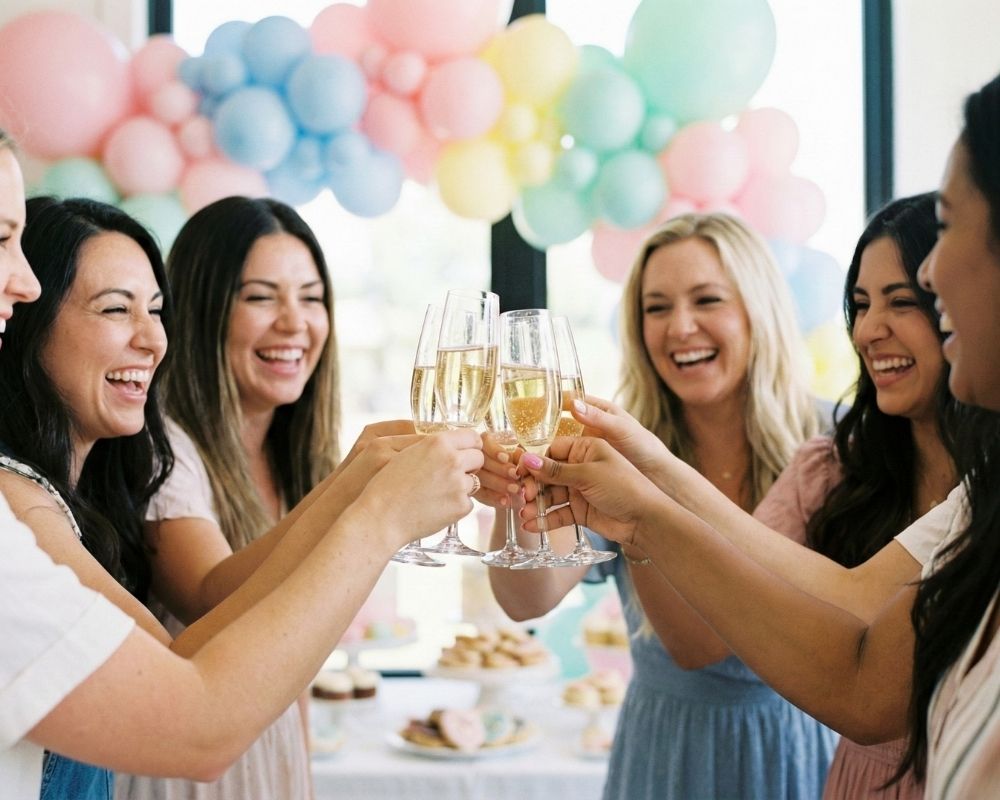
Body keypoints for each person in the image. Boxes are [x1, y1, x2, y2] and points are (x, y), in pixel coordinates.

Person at [514, 72, 1000, 798]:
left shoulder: (836, 440)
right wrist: (647, 465)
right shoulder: (911, 477)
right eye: (861, 303)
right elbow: (857, 604)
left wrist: (647, 501)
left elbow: (842, 669)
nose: (872, 326)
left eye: (951, 228)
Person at [0, 131, 484, 799]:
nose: (151, 338)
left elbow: (180, 654)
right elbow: (193, 679)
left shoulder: (68, 501)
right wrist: (372, 511)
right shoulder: (20, 502)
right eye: (116, 309)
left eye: (157, 311)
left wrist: (352, 484)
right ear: (27, 322)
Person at [483, 213, 836, 799]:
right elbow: (526, 598)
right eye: (656, 308)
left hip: (793, 749)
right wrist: (511, 486)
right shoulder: (616, 447)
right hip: (666, 755)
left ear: (758, 309)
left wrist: (642, 511)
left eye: (707, 299)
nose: (680, 328)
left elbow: (704, 646)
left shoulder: (833, 441)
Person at [117, 197, 347, 799]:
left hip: (266, 765)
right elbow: (213, 602)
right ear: (201, 311)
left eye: (312, 297)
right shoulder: (162, 443)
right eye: (261, 297)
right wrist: (365, 496)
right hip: (184, 775)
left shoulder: (296, 457)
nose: (295, 323)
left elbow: (289, 657)